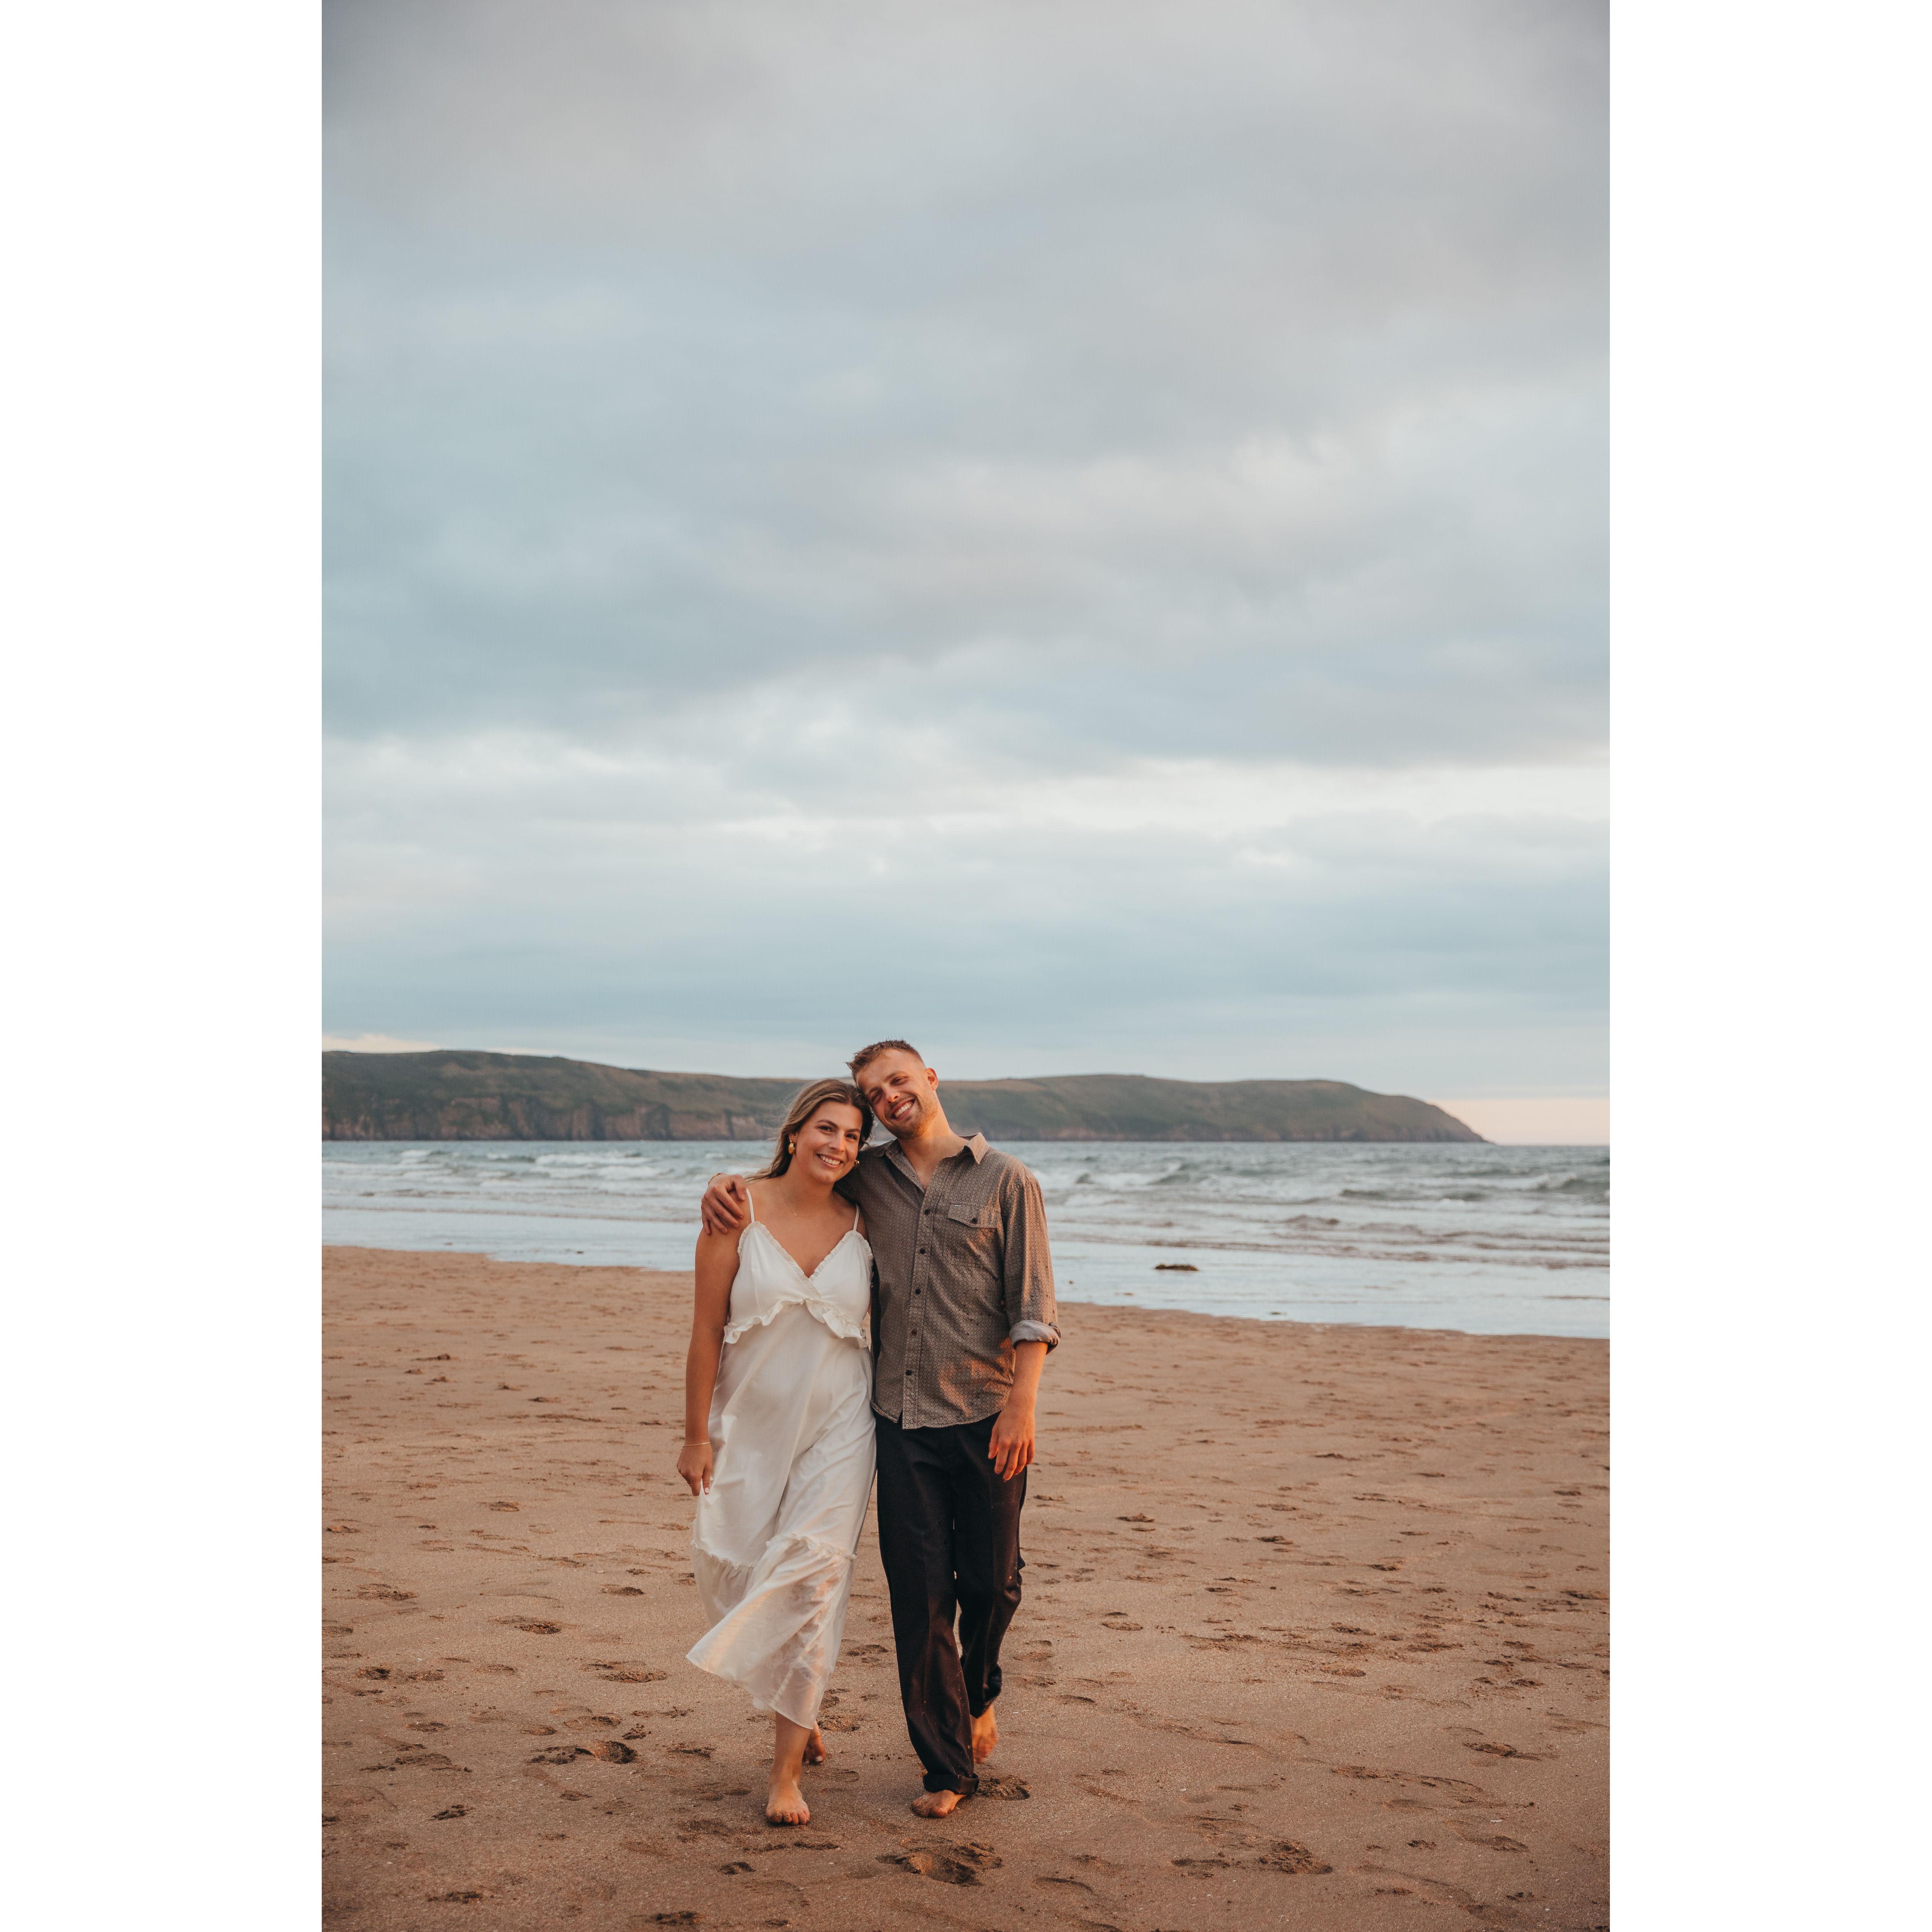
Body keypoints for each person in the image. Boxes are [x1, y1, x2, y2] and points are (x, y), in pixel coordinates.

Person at [701, 1040, 1059, 1818]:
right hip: (897, 1420)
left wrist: (1023, 1405)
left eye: (897, 1080)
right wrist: (722, 1188)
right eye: (874, 1091)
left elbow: (1033, 1305)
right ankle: (945, 1769)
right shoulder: (868, 1178)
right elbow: (791, 1181)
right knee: (920, 1595)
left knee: (991, 1584)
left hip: (988, 1413)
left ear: (928, 1078)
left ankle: (980, 1690)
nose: (887, 1096)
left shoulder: (1009, 1180)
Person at [677, 1078, 879, 1828]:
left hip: (842, 1424)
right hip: (752, 1425)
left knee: (812, 1579)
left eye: (854, 1136)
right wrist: (695, 1433)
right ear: (795, 1131)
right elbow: (703, 1332)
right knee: (734, 1568)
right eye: (827, 1128)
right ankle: (797, 1693)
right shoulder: (736, 1209)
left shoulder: (868, 1217)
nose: (839, 1145)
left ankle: (785, 1771)